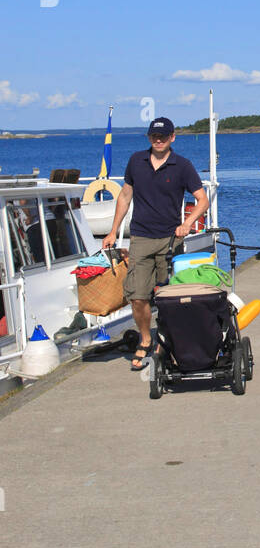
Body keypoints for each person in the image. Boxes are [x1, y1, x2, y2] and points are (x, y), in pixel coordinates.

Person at [103, 116, 208, 369]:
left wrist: (188, 222)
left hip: (171, 239)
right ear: (149, 138)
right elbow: (125, 197)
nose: (158, 140)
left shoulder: (182, 165)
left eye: (163, 136)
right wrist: (113, 231)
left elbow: (202, 199)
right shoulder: (135, 161)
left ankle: (167, 341)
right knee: (137, 296)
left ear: (172, 137)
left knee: (168, 297)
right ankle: (146, 339)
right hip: (140, 237)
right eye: (154, 136)